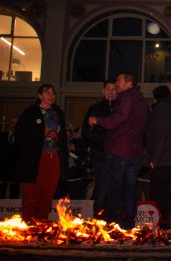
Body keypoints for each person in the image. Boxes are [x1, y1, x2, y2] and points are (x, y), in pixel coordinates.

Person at [88, 72, 149, 229]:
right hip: (135, 152)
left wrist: (98, 120)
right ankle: (129, 222)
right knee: (129, 189)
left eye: (118, 80)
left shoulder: (126, 97)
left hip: (120, 151)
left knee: (113, 188)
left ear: (129, 82)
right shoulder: (141, 100)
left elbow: (118, 119)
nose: (116, 83)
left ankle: (116, 221)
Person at [14, 84, 69, 222]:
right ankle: (28, 222)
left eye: (53, 93)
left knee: (48, 191)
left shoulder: (58, 112)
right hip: (36, 156)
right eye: (47, 93)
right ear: (40, 96)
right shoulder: (31, 112)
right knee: (31, 191)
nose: (51, 96)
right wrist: (40, 134)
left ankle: (42, 221)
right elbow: (20, 135)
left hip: (54, 155)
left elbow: (62, 138)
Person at [146, 85, 171, 229]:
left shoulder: (160, 110)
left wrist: (153, 159)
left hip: (163, 159)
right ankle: (166, 221)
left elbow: (159, 137)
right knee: (164, 191)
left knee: (155, 191)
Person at [81, 79, 116, 218]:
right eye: (108, 89)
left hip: (117, 156)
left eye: (114, 89)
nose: (111, 92)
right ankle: (99, 217)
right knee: (101, 186)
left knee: (115, 188)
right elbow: (86, 131)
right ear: (103, 91)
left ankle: (113, 217)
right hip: (100, 154)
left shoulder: (121, 108)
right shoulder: (95, 108)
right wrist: (104, 141)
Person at [0, 116, 19, 199]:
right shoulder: (1, 137)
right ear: (8, 124)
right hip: (3, 171)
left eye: (16, 124)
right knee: (1, 194)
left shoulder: (21, 138)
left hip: (16, 171)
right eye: (12, 123)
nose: (13, 125)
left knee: (14, 195)